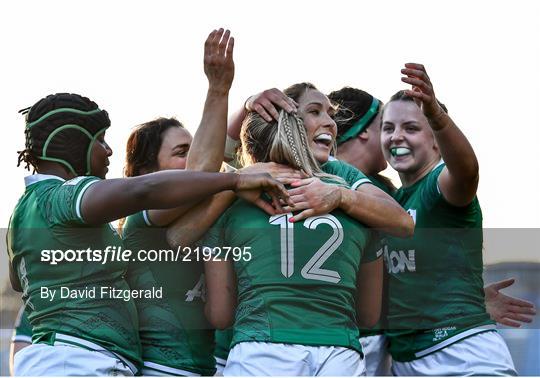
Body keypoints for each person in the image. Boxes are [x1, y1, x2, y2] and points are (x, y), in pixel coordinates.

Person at [6, 34, 290, 376]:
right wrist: (235, 178)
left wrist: (244, 108)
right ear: (75, 145)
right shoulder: (67, 198)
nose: (108, 151)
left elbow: (21, 281)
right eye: (100, 142)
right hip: (80, 360)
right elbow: (162, 187)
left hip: (85, 357)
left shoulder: (27, 210)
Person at [203, 109, 383, 376]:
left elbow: (221, 315)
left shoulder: (228, 206)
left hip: (261, 350)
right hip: (339, 352)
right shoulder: (358, 206)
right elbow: (368, 315)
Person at [380, 63, 517, 376]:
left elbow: (467, 170)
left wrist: (437, 116)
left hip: (463, 356)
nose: (396, 136)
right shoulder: (391, 203)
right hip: (408, 363)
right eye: (389, 128)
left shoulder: (439, 184)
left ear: (436, 141)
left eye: (411, 128)